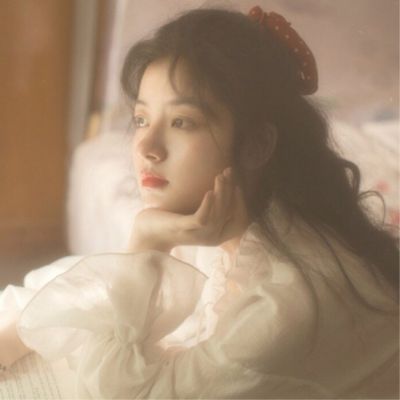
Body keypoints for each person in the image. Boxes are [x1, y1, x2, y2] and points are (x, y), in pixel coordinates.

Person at [0, 6, 398, 399]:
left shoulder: (283, 305)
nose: (147, 147)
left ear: (257, 144)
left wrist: (147, 241)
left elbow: (124, 394)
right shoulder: (232, 223)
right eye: (141, 119)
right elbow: (86, 286)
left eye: (181, 122)